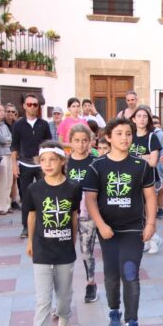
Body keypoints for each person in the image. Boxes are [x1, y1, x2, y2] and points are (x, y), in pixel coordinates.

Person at [83, 117, 157, 326]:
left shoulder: (140, 165)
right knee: (112, 275)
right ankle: (114, 310)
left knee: (130, 273)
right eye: (119, 134)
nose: (124, 138)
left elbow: (150, 196)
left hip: (133, 229)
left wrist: (151, 223)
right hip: (108, 231)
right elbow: (91, 200)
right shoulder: (98, 166)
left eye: (128, 134)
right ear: (108, 137)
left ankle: (132, 322)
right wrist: (101, 225)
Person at [25, 141, 81, 326]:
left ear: (62, 162)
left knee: (64, 295)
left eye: (52, 159)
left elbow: (74, 215)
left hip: (65, 250)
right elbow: (31, 216)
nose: (47, 164)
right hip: (41, 249)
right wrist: (30, 242)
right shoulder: (34, 189)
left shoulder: (73, 187)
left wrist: (73, 240)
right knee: (42, 300)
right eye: (43, 160)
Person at [66, 124, 99, 303]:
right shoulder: (65, 162)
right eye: (77, 141)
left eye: (84, 141)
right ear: (70, 142)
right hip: (67, 211)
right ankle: (64, 290)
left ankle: (91, 283)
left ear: (90, 142)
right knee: (66, 251)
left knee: (86, 251)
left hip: (88, 212)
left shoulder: (95, 162)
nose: (80, 144)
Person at [11, 94, 52, 238]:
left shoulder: (44, 124)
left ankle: (43, 225)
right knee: (26, 197)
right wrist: (14, 166)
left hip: (42, 166)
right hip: (25, 164)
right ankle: (26, 227)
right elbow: (14, 146)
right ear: (24, 106)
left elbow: (49, 145)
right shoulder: (18, 125)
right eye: (30, 104)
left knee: (44, 196)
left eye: (35, 104)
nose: (33, 107)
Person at [129, 105, 163, 254]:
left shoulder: (151, 137)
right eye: (139, 116)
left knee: (150, 210)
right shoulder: (129, 136)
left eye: (145, 116)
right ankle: (148, 238)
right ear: (133, 119)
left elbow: (153, 162)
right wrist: (145, 157)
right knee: (139, 211)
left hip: (149, 179)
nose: (142, 119)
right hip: (133, 179)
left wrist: (137, 157)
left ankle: (153, 238)